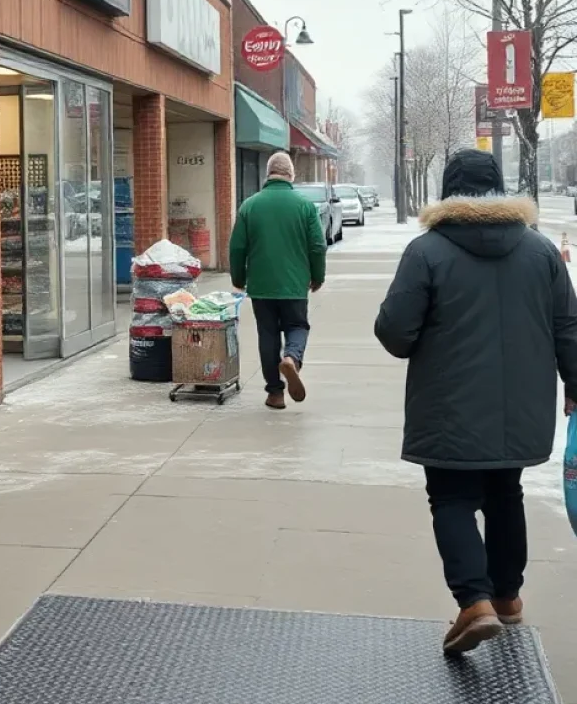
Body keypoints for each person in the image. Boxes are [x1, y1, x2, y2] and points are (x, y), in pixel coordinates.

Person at [375, 149, 577, 655]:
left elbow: (396, 334)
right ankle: (506, 597)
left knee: (452, 498)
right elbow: (568, 327)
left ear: (448, 193)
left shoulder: (426, 252)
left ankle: (473, 602)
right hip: (522, 408)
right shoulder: (542, 252)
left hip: (449, 407)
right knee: (506, 493)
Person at [229, 151, 327, 409]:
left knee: (268, 335)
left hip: (261, 286)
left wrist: (239, 278)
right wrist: (317, 276)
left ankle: (275, 393)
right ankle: (292, 359)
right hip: (295, 284)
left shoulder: (249, 206)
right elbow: (317, 246)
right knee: (297, 326)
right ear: (291, 175)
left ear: (268, 174)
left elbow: (237, 247)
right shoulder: (305, 206)